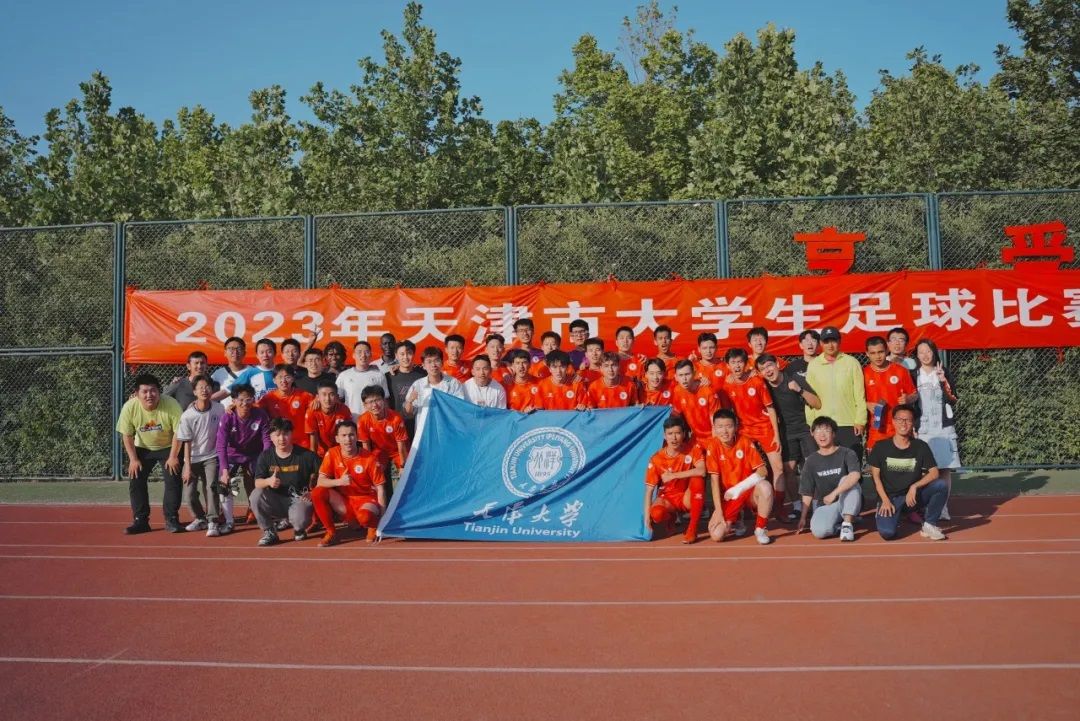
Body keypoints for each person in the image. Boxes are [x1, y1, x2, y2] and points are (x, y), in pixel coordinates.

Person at [116, 373, 184, 534]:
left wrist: (173, 456)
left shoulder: (171, 404)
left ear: (159, 391)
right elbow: (127, 435)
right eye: (145, 391)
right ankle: (140, 520)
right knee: (136, 479)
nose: (149, 395)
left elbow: (179, 432)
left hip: (168, 446)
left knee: (173, 478)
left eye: (153, 390)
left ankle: (171, 519)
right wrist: (133, 459)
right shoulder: (129, 407)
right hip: (142, 447)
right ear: (137, 393)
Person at [869, 405, 948, 541]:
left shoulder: (921, 446)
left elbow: (934, 473)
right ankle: (891, 514)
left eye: (908, 420)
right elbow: (875, 477)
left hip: (912, 498)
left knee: (941, 485)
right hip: (890, 498)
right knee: (888, 533)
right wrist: (885, 500)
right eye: (900, 419)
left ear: (913, 423)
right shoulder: (881, 447)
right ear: (893, 422)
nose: (903, 423)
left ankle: (929, 525)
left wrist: (914, 486)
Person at [757, 354, 821, 521]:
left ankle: (816, 506)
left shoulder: (794, 379)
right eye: (763, 369)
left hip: (806, 429)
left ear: (777, 364)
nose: (767, 371)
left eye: (769, 365)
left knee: (812, 467)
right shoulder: (763, 387)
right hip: (785, 433)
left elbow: (817, 403)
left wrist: (800, 390)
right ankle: (797, 506)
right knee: (788, 470)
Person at [722, 350, 783, 509]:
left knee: (778, 468)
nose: (737, 366)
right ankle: (749, 505)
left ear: (745, 363)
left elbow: (770, 409)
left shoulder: (756, 380)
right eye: (733, 362)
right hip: (744, 431)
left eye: (740, 362)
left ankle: (779, 508)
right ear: (728, 365)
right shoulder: (727, 384)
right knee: (744, 469)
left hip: (765, 428)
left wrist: (776, 435)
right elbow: (728, 413)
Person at [311, 420, 387, 546]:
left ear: (357, 437)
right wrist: (339, 481)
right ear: (337, 438)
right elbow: (320, 482)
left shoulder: (369, 458)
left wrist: (384, 518)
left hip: (366, 500)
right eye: (344, 435)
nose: (348, 439)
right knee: (317, 492)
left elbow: (381, 488)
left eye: (351, 435)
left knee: (364, 517)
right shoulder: (332, 453)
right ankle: (331, 532)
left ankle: (373, 525)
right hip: (345, 501)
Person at [703, 409, 774, 545]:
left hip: (747, 492)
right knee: (717, 535)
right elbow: (714, 482)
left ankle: (760, 529)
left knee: (766, 487)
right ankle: (737, 520)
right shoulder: (712, 446)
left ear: (736, 427)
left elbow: (763, 471)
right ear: (714, 428)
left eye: (729, 426)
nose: (725, 431)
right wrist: (718, 511)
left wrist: (738, 488)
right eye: (720, 427)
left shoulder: (745, 441)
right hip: (729, 497)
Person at [911, 339, 960, 521]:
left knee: (945, 469)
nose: (925, 355)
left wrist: (943, 380)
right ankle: (928, 507)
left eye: (928, 351)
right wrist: (913, 426)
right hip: (923, 428)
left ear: (934, 352)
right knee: (926, 470)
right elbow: (909, 403)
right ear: (917, 355)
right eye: (921, 352)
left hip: (943, 427)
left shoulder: (943, 371)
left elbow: (953, 398)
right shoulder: (913, 374)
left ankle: (943, 507)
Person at [250, 418, 318, 546]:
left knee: (301, 518)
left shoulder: (306, 456)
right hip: (275, 501)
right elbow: (257, 482)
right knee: (256, 495)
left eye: (286, 434)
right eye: (277, 435)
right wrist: (268, 481)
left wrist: (313, 492)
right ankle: (269, 531)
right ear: (271, 437)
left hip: (298, 499)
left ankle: (299, 529)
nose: (281, 439)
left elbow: (324, 475)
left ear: (292, 434)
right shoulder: (265, 456)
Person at [173, 374, 227, 536]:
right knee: (189, 495)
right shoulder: (188, 415)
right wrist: (187, 467)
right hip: (192, 458)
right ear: (195, 392)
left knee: (211, 488)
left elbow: (224, 431)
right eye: (201, 388)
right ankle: (200, 518)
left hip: (211, 456)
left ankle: (213, 521)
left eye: (207, 387)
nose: (204, 390)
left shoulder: (219, 409)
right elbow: (187, 442)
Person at [215, 383, 273, 528]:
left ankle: (254, 508)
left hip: (254, 454)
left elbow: (266, 440)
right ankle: (227, 517)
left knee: (258, 479)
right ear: (233, 401)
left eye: (248, 399)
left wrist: (265, 462)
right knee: (225, 482)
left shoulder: (260, 414)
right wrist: (224, 471)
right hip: (232, 454)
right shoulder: (227, 417)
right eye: (240, 400)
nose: (244, 403)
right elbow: (221, 445)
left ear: (253, 400)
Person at [796, 416, 862, 541]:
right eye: (818, 431)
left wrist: (834, 494)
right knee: (819, 531)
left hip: (848, 500)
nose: (822, 435)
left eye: (826, 430)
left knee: (847, 479)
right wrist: (803, 518)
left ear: (834, 434)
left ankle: (847, 524)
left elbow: (855, 475)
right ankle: (839, 526)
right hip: (826, 505)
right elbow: (807, 492)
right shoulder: (811, 461)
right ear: (812, 434)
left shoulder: (847, 453)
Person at [805, 326, 866, 460]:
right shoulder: (814, 365)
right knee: (827, 466)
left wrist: (860, 420)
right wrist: (811, 423)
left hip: (849, 423)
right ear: (821, 343)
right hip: (823, 425)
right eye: (826, 341)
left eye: (833, 341)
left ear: (839, 341)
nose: (830, 345)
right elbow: (809, 397)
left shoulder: (852, 363)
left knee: (851, 464)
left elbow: (860, 395)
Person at [644, 417, 706, 544]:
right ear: (664, 436)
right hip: (668, 499)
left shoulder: (692, 449)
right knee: (656, 514)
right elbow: (649, 491)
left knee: (698, 479)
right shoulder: (656, 458)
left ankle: (692, 529)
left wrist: (674, 475)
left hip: (685, 497)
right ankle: (670, 517)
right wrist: (646, 520)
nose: (674, 438)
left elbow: (702, 470)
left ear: (683, 434)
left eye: (677, 433)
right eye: (670, 434)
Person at [863, 335, 918, 453]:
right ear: (867, 353)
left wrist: (908, 399)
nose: (877, 356)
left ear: (887, 350)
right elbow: (854, 399)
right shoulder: (863, 373)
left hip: (899, 427)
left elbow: (915, 394)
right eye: (873, 353)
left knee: (901, 462)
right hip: (876, 429)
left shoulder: (901, 370)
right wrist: (866, 404)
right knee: (876, 463)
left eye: (880, 352)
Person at [404, 346, 466, 439]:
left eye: (437, 360)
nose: (433, 365)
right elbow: (409, 412)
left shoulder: (453, 383)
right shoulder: (418, 385)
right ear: (423, 365)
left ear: (442, 362)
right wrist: (409, 401)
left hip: (447, 432)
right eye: (429, 362)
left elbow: (460, 408)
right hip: (424, 434)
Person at [257, 364, 315, 449]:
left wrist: (318, 399)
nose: (283, 381)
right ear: (274, 380)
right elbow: (252, 408)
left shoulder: (304, 396)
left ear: (293, 378)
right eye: (280, 377)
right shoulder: (269, 398)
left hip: (301, 444)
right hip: (279, 444)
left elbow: (320, 405)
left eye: (287, 377)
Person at [671, 359, 722, 446]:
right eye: (681, 375)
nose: (684, 379)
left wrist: (715, 445)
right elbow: (676, 415)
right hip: (695, 439)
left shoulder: (708, 391)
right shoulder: (677, 391)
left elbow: (717, 422)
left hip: (712, 438)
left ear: (694, 374)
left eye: (687, 374)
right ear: (676, 377)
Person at [336, 340, 389, 420]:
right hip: (351, 422)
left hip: (374, 423)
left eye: (366, 352)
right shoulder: (344, 376)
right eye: (359, 352)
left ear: (371, 355)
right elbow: (336, 399)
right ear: (353, 355)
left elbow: (385, 400)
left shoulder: (379, 375)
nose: (363, 355)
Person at [384, 340, 425, 440]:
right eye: (402, 354)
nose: (405, 357)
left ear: (414, 354)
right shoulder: (389, 376)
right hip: (397, 424)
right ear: (396, 356)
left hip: (419, 424)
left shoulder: (423, 375)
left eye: (409, 353)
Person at [305, 379, 353, 458]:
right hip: (320, 454)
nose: (327, 399)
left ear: (337, 397)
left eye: (331, 395)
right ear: (317, 397)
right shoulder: (312, 411)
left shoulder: (344, 410)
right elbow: (313, 441)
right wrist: (313, 460)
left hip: (340, 453)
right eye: (324, 394)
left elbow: (348, 435)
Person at [211, 337, 252, 409]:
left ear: (244, 353)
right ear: (225, 353)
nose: (235, 352)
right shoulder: (218, 374)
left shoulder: (253, 372)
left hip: (248, 413)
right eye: (231, 349)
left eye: (239, 349)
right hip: (225, 414)